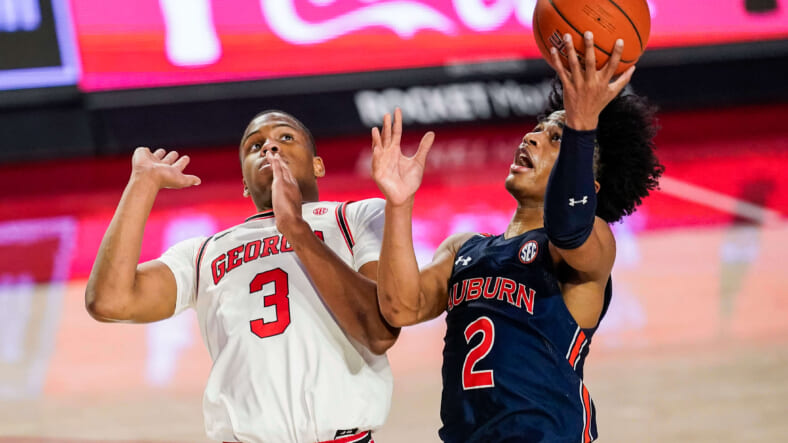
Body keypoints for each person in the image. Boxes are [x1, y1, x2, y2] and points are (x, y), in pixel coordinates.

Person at [371, 32, 664, 442]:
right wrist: (399, 204)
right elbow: (401, 308)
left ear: (589, 184)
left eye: (555, 138)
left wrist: (581, 123)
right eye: (538, 130)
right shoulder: (463, 248)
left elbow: (568, 226)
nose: (531, 138)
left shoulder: (589, 242)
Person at [85, 110, 399, 443]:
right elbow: (109, 301)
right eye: (255, 146)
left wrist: (295, 228)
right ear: (245, 185)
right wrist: (141, 184)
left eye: (285, 137)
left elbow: (378, 332)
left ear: (317, 165)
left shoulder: (357, 217)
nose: (270, 148)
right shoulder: (203, 252)